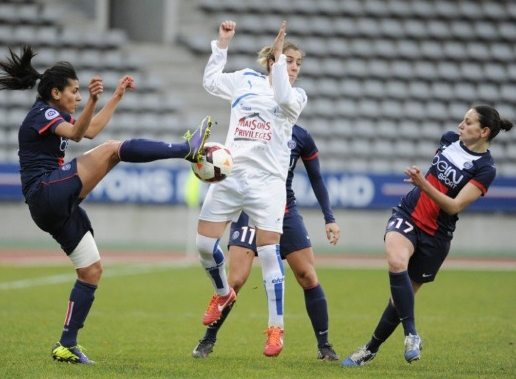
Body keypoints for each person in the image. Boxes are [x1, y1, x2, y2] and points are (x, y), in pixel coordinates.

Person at [0, 45, 213, 364]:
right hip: (45, 191)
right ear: (55, 92)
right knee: (112, 149)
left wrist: (116, 96)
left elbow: (89, 129)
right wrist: (95, 100)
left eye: (81, 93)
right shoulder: (44, 113)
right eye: (74, 91)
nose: (79, 97)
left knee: (92, 270)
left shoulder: (55, 113)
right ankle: (185, 149)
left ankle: (67, 344)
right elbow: (81, 135)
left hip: (54, 204)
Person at [341, 105, 513, 367]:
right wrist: (422, 187)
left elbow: (454, 206)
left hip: (437, 235)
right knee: (397, 262)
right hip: (408, 214)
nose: (460, 125)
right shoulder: (448, 139)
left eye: (468, 123)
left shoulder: (486, 169)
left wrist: (424, 184)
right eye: (462, 121)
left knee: (399, 299)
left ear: (484, 131)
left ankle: (369, 349)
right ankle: (411, 334)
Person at [195, 20, 308, 357]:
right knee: (203, 244)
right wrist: (222, 44)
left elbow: (283, 95)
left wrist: (279, 65)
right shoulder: (244, 79)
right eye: (290, 61)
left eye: (299, 63)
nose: (295, 68)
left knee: (271, 254)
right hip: (231, 176)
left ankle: (276, 329)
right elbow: (211, 82)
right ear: (272, 61)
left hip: (268, 184)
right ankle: (222, 291)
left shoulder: (295, 95)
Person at [192, 124, 341, 360]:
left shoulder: (301, 136)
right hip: (249, 208)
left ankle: (324, 346)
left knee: (307, 275)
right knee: (237, 280)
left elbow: (316, 177)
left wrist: (329, 218)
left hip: (284, 210)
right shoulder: (252, 125)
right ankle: (208, 339)